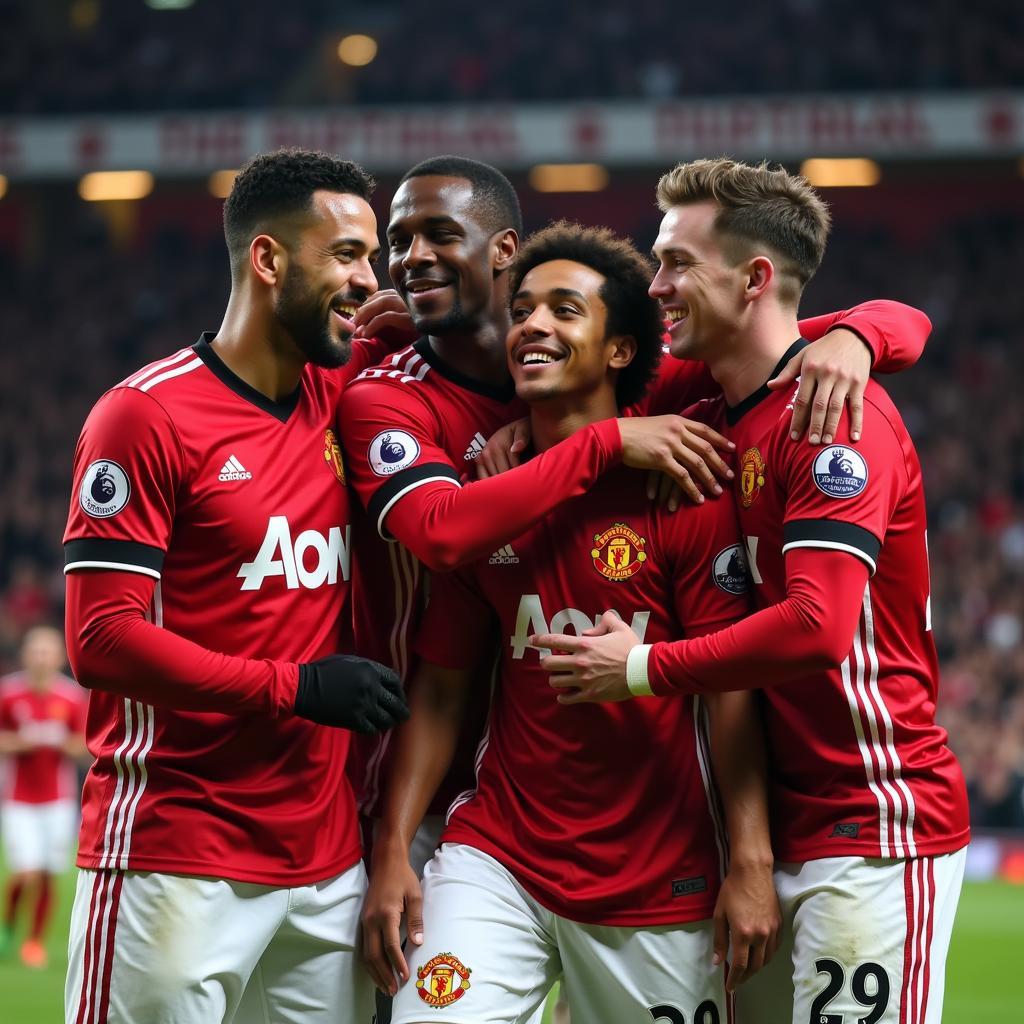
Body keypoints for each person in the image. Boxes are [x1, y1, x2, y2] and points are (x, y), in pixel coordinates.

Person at [530, 158, 970, 1024]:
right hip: (765, 826)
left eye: (678, 264)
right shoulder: (712, 409)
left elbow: (816, 628)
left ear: (756, 278)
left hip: (870, 822)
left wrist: (642, 668)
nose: (657, 286)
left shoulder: (831, 415)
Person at [362, 222, 780, 1023]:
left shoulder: (684, 485)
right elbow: (444, 693)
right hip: (499, 856)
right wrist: (392, 855)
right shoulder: (487, 498)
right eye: (521, 310)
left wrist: (750, 857)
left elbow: (732, 691)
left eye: (563, 309)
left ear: (620, 350)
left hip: (660, 875)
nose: (533, 326)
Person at [62, 148, 408, 1024]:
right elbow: (99, 641)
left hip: (328, 864)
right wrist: (294, 688)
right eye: (346, 256)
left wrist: (819, 330)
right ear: (267, 260)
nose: (369, 280)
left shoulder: (348, 394)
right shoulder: (144, 416)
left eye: (372, 257)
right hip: (177, 850)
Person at [0, 626, 87, 969]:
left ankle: (33, 942)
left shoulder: (71, 698)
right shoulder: (8, 693)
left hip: (58, 800)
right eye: (35, 651)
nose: (41, 658)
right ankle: (8, 927)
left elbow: (83, 745)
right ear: (25, 654)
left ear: (59, 657)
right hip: (18, 799)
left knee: (49, 872)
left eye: (47, 652)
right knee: (26, 871)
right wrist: (25, 741)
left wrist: (60, 742)